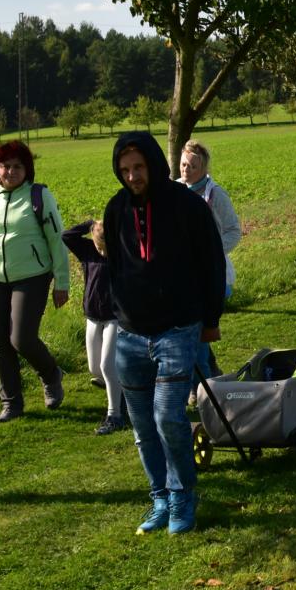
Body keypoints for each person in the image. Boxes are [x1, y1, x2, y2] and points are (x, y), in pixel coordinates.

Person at [104, 132, 226, 536]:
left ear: (154, 164)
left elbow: (211, 262)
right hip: (131, 335)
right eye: (125, 170)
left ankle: (182, 496)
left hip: (178, 328)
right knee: (142, 426)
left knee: (168, 417)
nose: (132, 176)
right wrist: (119, 310)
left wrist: (210, 319)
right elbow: (115, 267)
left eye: (138, 167)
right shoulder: (116, 209)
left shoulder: (187, 205)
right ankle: (159, 497)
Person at [0, 140, 69, 424]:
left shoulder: (39, 196)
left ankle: (51, 374)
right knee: (0, 344)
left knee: (21, 339)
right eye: (5, 166)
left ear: (26, 169)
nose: (10, 171)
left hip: (32, 278)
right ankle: (11, 404)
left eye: (17, 166)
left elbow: (56, 240)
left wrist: (62, 282)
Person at [179, 139, 241, 382]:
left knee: (196, 330)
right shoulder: (174, 190)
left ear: (204, 168)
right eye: (184, 164)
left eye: (193, 166)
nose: (186, 169)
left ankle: (202, 387)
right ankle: (210, 375)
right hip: (183, 275)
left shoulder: (215, 194)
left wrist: (210, 251)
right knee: (190, 331)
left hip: (212, 276)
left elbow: (234, 231)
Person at [62, 218, 125, 435]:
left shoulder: (122, 254)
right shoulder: (87, 251)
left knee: (107, 366)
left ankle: (115, 416)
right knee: (95, 369)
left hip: (115, 318)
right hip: (92, 317)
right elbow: (66, 236)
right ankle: (123, 394)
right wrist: (90, 223)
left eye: (107, 248)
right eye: (100, 248)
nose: (103, 253)